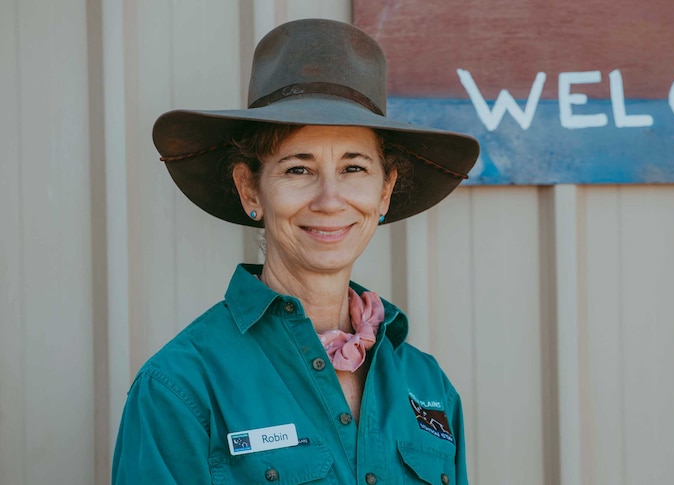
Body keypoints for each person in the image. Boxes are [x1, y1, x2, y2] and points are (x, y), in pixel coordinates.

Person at [111, 18, 479, 485]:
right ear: (251, 191)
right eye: (298, 170)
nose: (329, 200)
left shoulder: (429, 387)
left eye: (354, 167)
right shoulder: (180, 387)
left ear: (384, 193)